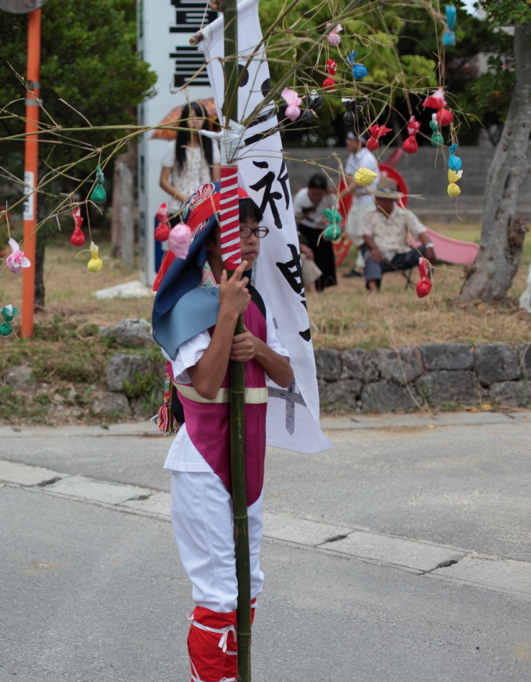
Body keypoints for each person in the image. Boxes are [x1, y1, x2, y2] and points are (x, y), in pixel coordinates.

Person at [152, 195, 293, 682]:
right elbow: (207, 383)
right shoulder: (188, 307)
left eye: (257, 230)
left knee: (248, 585)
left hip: (247, 465)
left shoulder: (255, 303)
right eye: (241, 229)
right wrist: (227, 313)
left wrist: (256, 347)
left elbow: (287, 373)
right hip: (205, 466)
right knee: (217, 595)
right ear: (211, 240)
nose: (251, 239)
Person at [360, 177, 436, 294]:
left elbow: (420, 231)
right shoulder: (369, 215)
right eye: (376, 198)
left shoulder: (405, 214)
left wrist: (429, 246)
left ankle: (427, 284)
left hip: (402, 253)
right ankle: (373, 290)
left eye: (381, 199)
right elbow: (367, 235)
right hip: (380, 254)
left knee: (425, 252)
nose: (377, 202)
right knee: (371, 258)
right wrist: (374, 248)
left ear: (391, 200)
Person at [159, 101, 221, 219]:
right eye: (191, 117)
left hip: (205, 209)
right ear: (184, 120)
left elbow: (216, 180)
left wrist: (205, 201)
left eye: (199, 117)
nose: (195, 121)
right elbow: (163, 181)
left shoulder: (212, 147)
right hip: (179, 209)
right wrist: (185, 199)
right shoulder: (174, 147)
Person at [338, 132, 379, 277]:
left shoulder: (367, 158)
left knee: (363, 234)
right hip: (358, 200)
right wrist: (350, 187)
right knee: (351, 230)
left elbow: (357, 183)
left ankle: (361, 267)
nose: (347, 142)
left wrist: (339, 196)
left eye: (350, 139)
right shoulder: (352, 156)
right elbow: (349, 177)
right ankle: (366, 260)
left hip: (367, 201)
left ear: (359, 142)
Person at [292, 173, 337, 291]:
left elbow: (335, 214)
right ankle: (310, 286)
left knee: (324, 258)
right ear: (308, 188)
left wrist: (328, 219)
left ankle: (325, 284)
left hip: (322, 230)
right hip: (305, 228)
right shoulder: (300, 197)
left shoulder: (330, 197)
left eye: (319, 195)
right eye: (313, 194)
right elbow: (294, 219)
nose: (316, 197)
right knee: (309, 257)